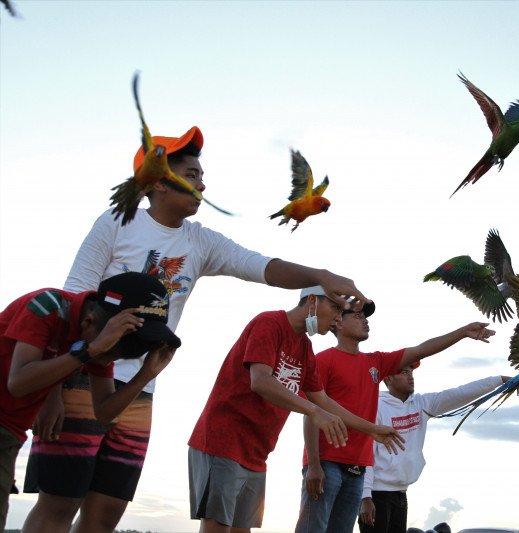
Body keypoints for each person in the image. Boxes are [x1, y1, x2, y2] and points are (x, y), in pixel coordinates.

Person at [22, 126, 370, 533]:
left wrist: (320, 274)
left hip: (140, 391)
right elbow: (73, 299)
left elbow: (260, 266)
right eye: (191, 174)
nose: (202, 183)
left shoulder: (200, 242)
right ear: (157, 183)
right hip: (81, 377)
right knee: (59, 504)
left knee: (105, 513)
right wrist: (51, 388)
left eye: (202, 175)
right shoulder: (118, 221)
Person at [188, 286, 404, 532]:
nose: (336, 318)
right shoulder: (269, 323)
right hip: (223, 441)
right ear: (311, 301)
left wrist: (371, 429)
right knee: (218, 526)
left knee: (241, 528)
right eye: (334, 308)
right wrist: (313, 412)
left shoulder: (304, 349)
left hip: (257, 452)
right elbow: (260, 381)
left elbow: (322, 400)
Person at [1, 272, 179, 531]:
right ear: (88, 321)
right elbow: (17, 383)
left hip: (9, 434)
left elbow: (104, 412)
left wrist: (144, 375)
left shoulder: (95, 342)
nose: (108, 363)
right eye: (111, 354)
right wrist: (90, 351)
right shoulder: (47, 305)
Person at [295, 303, 495, 533]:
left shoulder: (375, 362)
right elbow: (311, 412)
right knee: (314, 529)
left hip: (358, 468)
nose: (366, 320)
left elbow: (421, 350)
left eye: (365, 317)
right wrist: (313, 464)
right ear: (338, 321)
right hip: (327, 462)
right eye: (358, 316)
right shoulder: (324, 360)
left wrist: (462, 332)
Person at [358, 365, 509, 533]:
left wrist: (499, 380)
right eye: (404, 372)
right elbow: (364, 454)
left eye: (412, 372)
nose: (411, 376)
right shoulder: (376, 408)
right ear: (388, 379)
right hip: (376, 495)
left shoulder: (422, 403)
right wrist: (365, 496)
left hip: (401, 493)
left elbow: (459, 393)